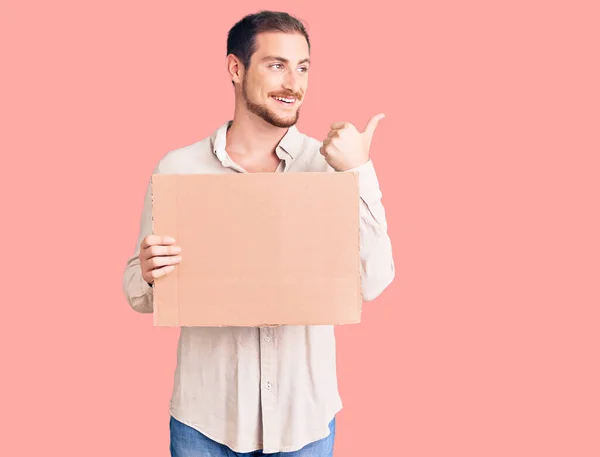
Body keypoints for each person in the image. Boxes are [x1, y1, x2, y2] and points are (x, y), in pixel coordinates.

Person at [122, 10, 395, 457]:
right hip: (205, 422)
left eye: (303, 67)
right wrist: (151, 273)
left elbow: (377, 280)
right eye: (276, 65)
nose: (294, 82)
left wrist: (359, 172)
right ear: (236, 68)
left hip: (303, 422)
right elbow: (136, 291)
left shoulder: (330, 165)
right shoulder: (179, 169)